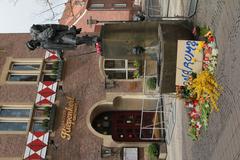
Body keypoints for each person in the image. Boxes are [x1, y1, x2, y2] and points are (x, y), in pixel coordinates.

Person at [26, 24, 99, 51]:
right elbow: (55, 47)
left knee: (76, 41)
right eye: (33, 46)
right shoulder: (44, 46)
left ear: (31, 41)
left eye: (32, 43)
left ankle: (93, 39)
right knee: (77, 42)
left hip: (61, 36)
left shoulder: (38, 35)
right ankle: (89, 39)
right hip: (62, 44)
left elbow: (52, 27)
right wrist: (59, 55)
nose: (34, 44)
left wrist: (66, 29)